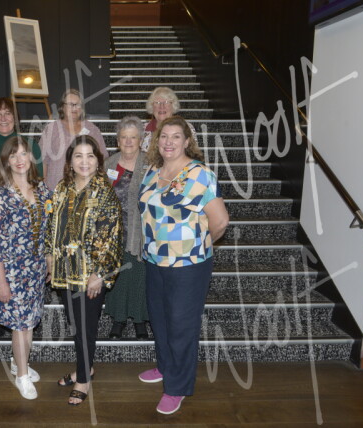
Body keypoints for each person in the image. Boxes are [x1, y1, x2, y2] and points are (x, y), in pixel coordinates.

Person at [138, 116, 229, 415]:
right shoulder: (153, 171)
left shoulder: (200, 174)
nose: (169, 142)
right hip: (154, 259)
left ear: (187, 141)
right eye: (164, 136)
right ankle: (166, 367)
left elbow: (220, 222)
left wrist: (195, 246)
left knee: (181, 325)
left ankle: (177, 386)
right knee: (160, 319)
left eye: (176, 136)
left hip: (188, 264)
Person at [46, 135, 122, 406]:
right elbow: (51, 224)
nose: (84, 161)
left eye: (90, 155)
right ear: (70, 161)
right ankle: (85, 368)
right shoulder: (62, 188)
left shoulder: (104, 192)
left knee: (85, 328)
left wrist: (99, 273)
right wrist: (49, 255)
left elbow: (110, 235)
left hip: (89, 275)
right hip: (64, 272)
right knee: (76, 325)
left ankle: (83, 380)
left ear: (98, 161)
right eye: (78, 155)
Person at [0, 136, 51, 400]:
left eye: (24, 154)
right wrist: (1, 281)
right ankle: (21, 376)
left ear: (31, 157)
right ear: (6, 161)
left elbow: (48, 230)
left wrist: (49, 261)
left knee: (29, 323)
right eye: (13, 155)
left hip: (35, 269)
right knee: (20, 325)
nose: (20, 160)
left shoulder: (42, 189)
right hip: (11, 271)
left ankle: (19, 363)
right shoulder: (0, 196)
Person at [0, 97, 43, 335]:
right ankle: (2, 314)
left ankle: (23, 318)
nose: (3, 118)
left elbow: (38, 178)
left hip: (25, 218)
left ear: (15, 117)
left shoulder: (30, 144)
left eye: (8, 113)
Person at [103, 116, 149, 340]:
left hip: (142, 230)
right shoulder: (109, 164)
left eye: (133, 137)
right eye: (124, 137)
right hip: (114, 231)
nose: (128, 141)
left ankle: (140, 321)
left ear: (140, 140)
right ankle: (118, 320)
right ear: (118, 140)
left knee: (139, 276)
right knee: (119, 276)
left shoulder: (151, 164)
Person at [39, 89, 108, 190]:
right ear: (62, 107)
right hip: (55, 190)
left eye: (78, 104)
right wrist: (43, 187)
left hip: (87, 191)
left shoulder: (92, 129)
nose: (74, 108)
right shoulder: (51, 129)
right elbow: (42, 161)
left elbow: (102, 158)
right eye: (71, 104)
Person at [141, 86, 197, 152]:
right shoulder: (141, 129)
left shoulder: (187, 128)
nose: (161, 106)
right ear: (152, 107)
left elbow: (193, 154)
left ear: (173, 106)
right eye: (157, 102)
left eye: (166, 102)